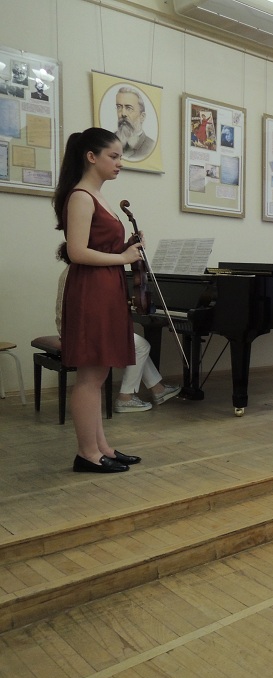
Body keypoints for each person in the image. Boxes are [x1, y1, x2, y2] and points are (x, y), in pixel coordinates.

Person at [53, 127, 145, 473]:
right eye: (114, 156)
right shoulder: (81, 196)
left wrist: (126, 248)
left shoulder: (97, 195)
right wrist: (123, 257)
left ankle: (101, 447)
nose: (120, 163)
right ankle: (86, 453)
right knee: (90, 377)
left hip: (106, 288)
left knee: (100, 374)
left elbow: (99, 246)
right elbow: (77, 252)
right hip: (91, 291)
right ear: (91, 157)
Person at [55, 263, 180, 413]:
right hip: (83, 333)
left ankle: (158, 389)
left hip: (74, 329)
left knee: (137, 345)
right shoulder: (86, 275)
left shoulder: (72, 271)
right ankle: (125, 398)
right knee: (141, 346)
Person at [114, 87, 155, 161]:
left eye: (129, 108)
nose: (123, 113)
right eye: (119, 107)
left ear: (142, 117)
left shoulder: (150, 146)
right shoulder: (109, 141)